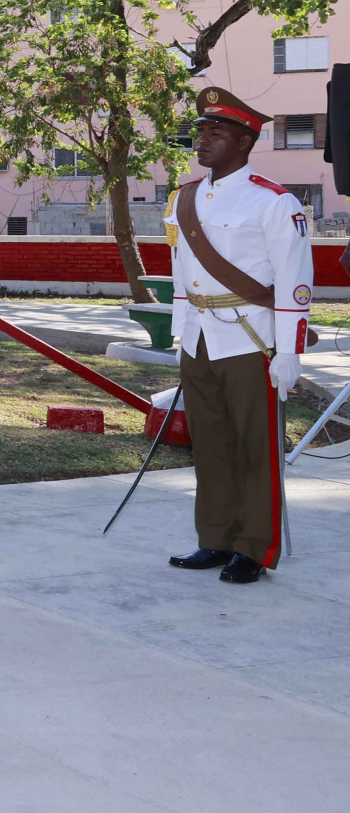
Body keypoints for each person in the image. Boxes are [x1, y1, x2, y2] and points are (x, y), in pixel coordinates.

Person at [161, 87, 311, 585]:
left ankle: (253, 547)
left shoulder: (274, 201)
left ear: (246, 142)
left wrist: (288, 352)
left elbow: (294, 282)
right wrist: (180, 334)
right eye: (202, 132)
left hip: (250, 339)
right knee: (210, 445)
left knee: (255, 447)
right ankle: (215, 539)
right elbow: (182, 275)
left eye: (216, 133)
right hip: (200, 338)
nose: (203, 142)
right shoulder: (185, 197)